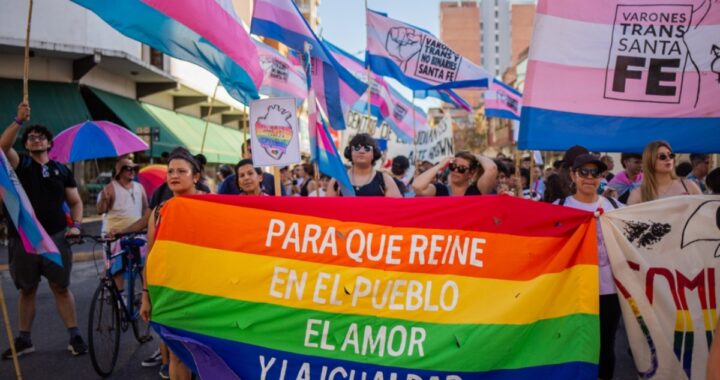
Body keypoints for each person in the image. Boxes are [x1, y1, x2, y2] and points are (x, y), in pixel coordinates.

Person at [0, 103, 87, 358]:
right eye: (30, 137)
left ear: (50, 143)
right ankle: (25, 340)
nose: (35, 139)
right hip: (24, 237)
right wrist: (18, 120)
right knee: (27, 289)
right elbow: (3, 147)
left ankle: (75, 335)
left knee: (60, 287)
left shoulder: (62, 170)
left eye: (40, 137)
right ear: (26, 145)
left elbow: (76, 202)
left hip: (58, 236)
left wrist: (77, 226)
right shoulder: (20, 165)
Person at [554, 154, 624, 380]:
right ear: (573, 175)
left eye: (595, 173)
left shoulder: (616, 208)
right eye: (583, 172)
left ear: (602, 177)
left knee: (606, 344)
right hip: (572, 288)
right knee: (572, 342)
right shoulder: (560, 208)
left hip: (608, 290)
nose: (589, 177)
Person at [141, 147, 206, 380]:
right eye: (170, 171)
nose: (174, 176)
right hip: (171, 293)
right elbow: (151, 256)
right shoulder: (159, 212)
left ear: (195, 176)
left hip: (206, 293)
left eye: (181, 171)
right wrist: (146, 294)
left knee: (211, 355)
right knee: (178, 355)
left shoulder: (212, 206)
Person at [96, 158, 149, 292]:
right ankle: (121, 297)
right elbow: (100, 210)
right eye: (128, 169)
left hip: (136, 233)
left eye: (134, 168)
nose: (132, 171)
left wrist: (147, 226)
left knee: (143, 264)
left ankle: (143, 294)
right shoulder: (110, 188)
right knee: (117, 267)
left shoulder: (139, 187)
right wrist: (104, 199)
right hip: (114, 234)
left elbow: (145, 210)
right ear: (119, 171)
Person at [627, 141, 702, 205]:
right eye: (662, 157)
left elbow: (704, 214)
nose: (668, 158)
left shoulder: (689, 186)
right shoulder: (638, 194)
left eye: (671, 155)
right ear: (650, 161)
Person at [326, 134, 401, 197]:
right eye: (356, 148)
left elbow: (397, 209)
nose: (361, 151)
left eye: (367, 148)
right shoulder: (337, 180)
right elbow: (327, 208)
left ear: (374, 154)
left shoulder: (385, 180)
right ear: (350, 152)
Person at [413, 151, 497, 197]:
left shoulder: (476, 191)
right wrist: (439, 166)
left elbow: (491, 169)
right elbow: (417, 186)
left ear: (471, 174)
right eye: (453, 166)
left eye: (462, 168)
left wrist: (475, 156)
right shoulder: (440, 190)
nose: (456, 170)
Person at [218, 139, 283, 195]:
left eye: (250, 173)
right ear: (243, 155)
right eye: (251, 151)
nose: (246, 178)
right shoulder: (229, 181)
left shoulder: (273, 180)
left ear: (260, 177)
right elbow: (219, 204)